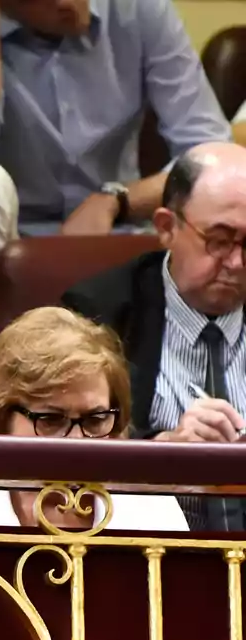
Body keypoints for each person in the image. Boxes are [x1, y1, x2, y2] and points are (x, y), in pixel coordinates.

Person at [0, 0, 231, 400]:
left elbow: (208, 157)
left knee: (221, 206)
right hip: (5, 235)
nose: (74, 4)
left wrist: (116, 200)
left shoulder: (137, 9)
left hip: (117, 230)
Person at [63, 141, 246, 529]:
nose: (236, 262)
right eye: (219, 239)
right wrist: (163, 454)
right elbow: (63, 452)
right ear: (166, 227)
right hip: (146, 555)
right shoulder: (100, 316)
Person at [0, 306, 188, 530]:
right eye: (50, 420)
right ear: (0, 417)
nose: (76, 443)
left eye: (95, 420)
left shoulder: (152, 508)